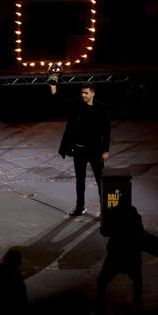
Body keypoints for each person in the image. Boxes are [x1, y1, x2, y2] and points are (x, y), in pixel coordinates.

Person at [50, 81, 110, 217]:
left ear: (93, 94)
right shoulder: (77, 105)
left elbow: (106, 131)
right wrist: (53, 86)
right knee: (80, 180)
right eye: (82, 92)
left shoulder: (101, 108)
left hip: (96, 151)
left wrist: (106, 150)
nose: (83, 95)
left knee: (100, 180)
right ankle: (80, 207)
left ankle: (104, 209)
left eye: (86, 93)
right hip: (79, 150)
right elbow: (58, 100)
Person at [97, 198, 144, 315]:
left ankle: (101, 309)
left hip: (116, 253)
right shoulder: (136, 216)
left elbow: (105, 232)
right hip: (132, 253)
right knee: (137, 280)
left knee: (102, 282)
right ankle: (138, 307)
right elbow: (141, 233)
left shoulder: (113, 215)